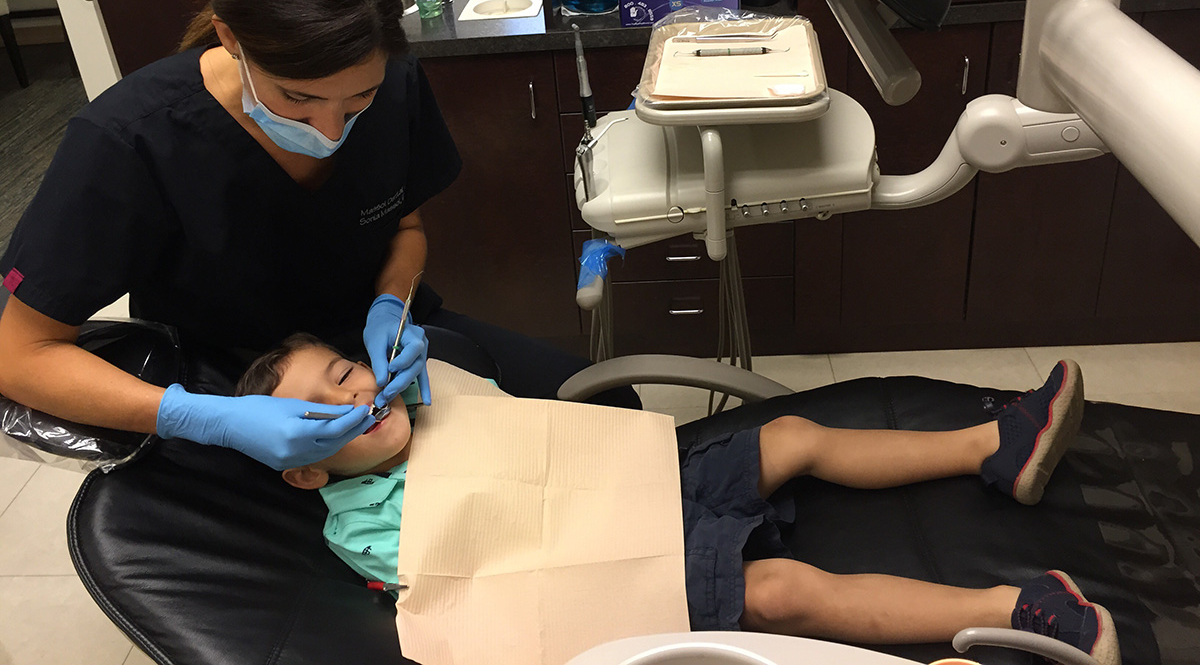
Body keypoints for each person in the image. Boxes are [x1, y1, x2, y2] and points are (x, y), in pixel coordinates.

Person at [0, 0, 637, 473]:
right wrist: (201, 417)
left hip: (370, 342)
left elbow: (406, 229)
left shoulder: (396, 85)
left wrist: (391, 305)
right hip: (238, 382)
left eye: (357, 99)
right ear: (230, 39)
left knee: (609, 410)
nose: (331, 131)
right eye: (297, 98)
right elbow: (18, 353)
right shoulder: (128, 142)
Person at [237, 334, 1120, 665]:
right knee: (784, 591)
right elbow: (448, 569)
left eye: (347, 373)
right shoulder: (353, 519)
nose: (355, 400)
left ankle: (992, 447)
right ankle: (1021, 610)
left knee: (791, 437)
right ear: (302, 468)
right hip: (597, 568)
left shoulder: (432, 401)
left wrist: (423, 380)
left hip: (638, 482)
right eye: (319, 414)